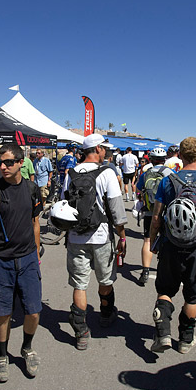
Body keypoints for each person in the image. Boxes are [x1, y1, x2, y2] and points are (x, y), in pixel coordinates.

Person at [149, 137, 196, 354]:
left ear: (180, 156)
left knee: (165, 290)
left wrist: (153, 241)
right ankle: (185, 340)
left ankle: (163, 333)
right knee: (192, 295)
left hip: (170, 243)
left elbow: (156, 217)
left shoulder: (167, 181)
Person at [0, 143, 43, 383]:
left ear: (20, 163)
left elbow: (35, 223)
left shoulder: (32, 189)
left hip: (27, 259)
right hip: (2, 261)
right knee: (3, 313)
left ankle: (27, 347)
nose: (2, 166)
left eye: (8, 162)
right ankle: (2, 356)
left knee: (34, 311)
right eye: (0, 162)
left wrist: (36, 256)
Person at [62, 133, 127, 351]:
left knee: (80, 284)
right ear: (97, 149)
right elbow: (116, 209)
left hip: (76, 236)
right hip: (100, 236)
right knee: (105, 279)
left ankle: (81, 332)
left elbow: (64, 206)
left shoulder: (70, 173)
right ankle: (107, 315)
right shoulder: (107, 173)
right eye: (104, 149)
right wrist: (123, 236)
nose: (106, 152)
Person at [135, 147, 174, 286]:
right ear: (165, 159)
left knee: (147, 240)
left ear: (151, 159)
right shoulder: (171, 173)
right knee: (168, 241)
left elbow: (138, 191)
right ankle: (164, 271)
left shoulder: (146, 173)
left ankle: (145, 271)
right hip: (167, 212)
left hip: (150, 211)